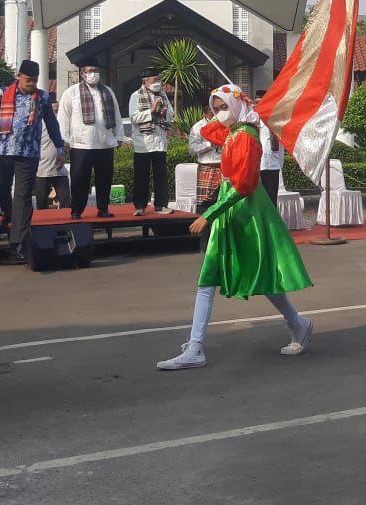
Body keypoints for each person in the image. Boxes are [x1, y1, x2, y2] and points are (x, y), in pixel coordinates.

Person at [157, 84, 313, 370]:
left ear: (238, 106)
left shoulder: (246, 139)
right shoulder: (235, 132)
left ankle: (196, 348)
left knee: (228, 274)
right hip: (235, 207)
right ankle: (296, 323)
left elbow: (244, 185)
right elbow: (208, 131)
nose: (219, 113)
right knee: (228, 274)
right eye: (215, 108)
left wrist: (211, 214)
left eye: (223, 107)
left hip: (244, 208)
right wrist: (236, 111)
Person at [0, 61, 63, 265]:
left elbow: (51, 123)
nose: (31, 83)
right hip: (3, 151)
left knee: (22, 196)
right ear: (19, 76)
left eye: (35, 80)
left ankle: (18, 243)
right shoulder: (0, 94)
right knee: (3, 190)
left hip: (28, 153)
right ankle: (6, 216)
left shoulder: (42, 97)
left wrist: (59, 147)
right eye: (28, 79)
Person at [59, 63, 123, 218]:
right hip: (81, 144)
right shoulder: (71, 92)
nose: (93, 74)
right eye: (90, 71)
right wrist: (64, 140)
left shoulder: (108, 91)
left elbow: (116, 114)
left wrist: (119, 136)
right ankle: (76, 210)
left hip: (104, 142)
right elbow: (63, 118)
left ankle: (103, 209)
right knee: (79, 180)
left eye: (96, 71)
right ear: (82, 74)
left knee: (105, 179)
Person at [126, 69, 173, 216]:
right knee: (141, 175)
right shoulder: (135, 96)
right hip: (143, 142)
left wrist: (165, 113)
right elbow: (134, 117)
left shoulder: (163, 95)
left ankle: (161, 205)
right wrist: (151, 111)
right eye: (154, 81)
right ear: (145, 82)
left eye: (158, 80)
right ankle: (139, 206)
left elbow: (171, 114)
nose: (157, 83)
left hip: (159, 141)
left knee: (161, 175)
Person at [187, 103, 223, 213]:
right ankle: (204, 228)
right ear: (207, 113)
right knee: (205, 203)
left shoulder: (226, 125)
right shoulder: (198, 127)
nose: (217, 114)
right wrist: (209, 144)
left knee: (224, 201)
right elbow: (192, 149)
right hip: (207, 167)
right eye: (214, 111)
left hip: (224, 167)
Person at [35, 105, 71, 210]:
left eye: (57, 110)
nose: (55, 112)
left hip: (59, 170)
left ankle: (67, 224)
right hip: (42, 170)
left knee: (66, 202)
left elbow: (67, 144)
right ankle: (42, 224)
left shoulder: (62, 123)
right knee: (42, 205)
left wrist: (65, 148)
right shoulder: (37, 123)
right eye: (53, 110)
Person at [256, 92, 285, 201]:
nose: (258, 105)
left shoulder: (275, 121)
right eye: (256, 103)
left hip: (273, 165)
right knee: (260, 200)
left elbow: (281, 144)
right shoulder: (254, 121)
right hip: (258, 165)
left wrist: (280, 163)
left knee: (272, 198)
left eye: (261, 102)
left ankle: (272, 218)